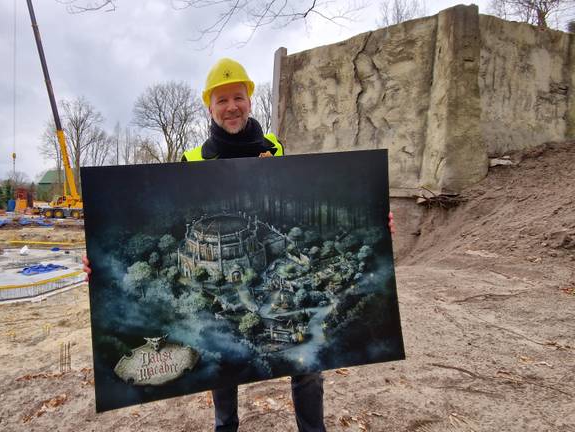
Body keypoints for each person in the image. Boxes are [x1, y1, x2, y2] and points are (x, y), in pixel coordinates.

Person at [83, 58, 395, 432]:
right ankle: (225, 427)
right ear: (210, 107)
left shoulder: (275, 148)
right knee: (223, 373)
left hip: (254, 247)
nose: (231, 107)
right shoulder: (193, 159)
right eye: (221, 101)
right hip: (217, 247)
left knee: (306, 369)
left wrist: (378, 220)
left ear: (249, 100)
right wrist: (97, 265)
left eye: (238, 97)